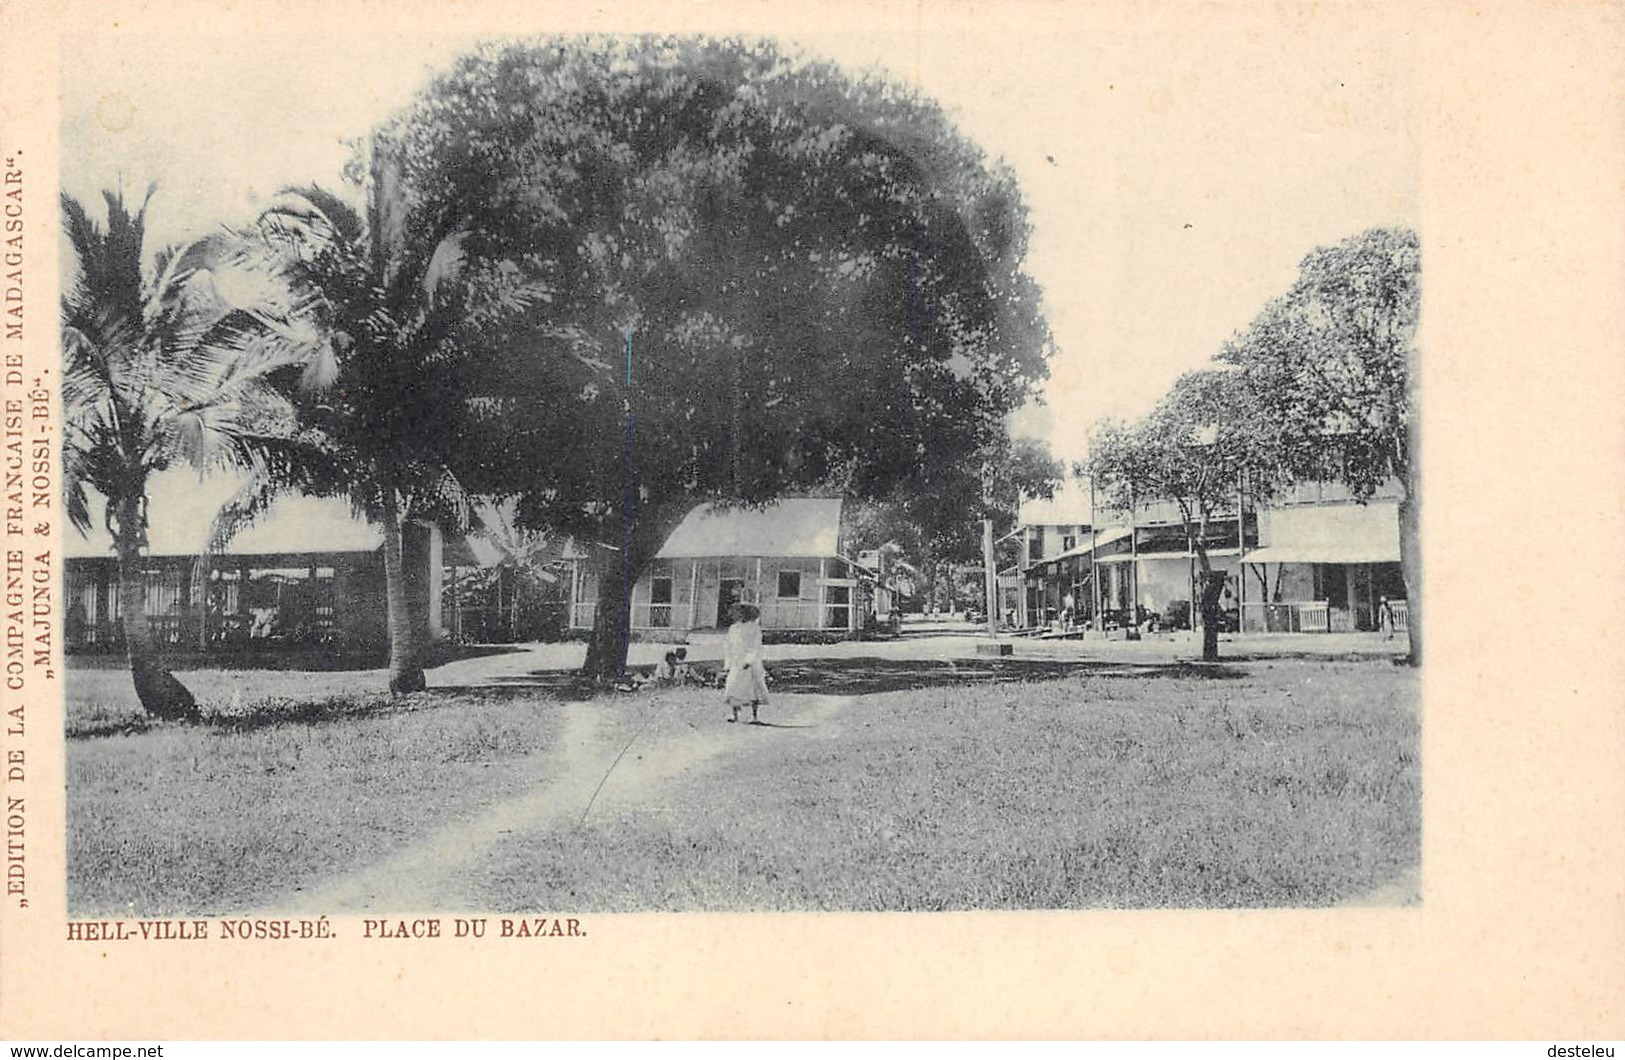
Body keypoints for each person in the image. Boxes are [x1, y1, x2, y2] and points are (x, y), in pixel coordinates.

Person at [722, 601, 769, 723]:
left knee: (753, 688)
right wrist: (728, 662)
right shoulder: (733, 628)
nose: (735, 614)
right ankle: (735, 715)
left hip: (750, 662)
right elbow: (728, 645)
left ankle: (754, 716)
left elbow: (756, 645)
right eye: (734, 612)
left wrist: (749, 660)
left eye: (738, 612)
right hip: (736, 661)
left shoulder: (754, 627)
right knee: (733, 686)